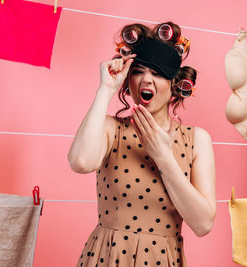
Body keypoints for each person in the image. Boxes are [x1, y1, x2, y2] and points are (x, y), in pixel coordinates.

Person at [68, 21, 216, 267]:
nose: (146, 80)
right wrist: (105, 90)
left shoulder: (196, 139)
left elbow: (203, 224)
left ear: (174, 85)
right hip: (107, 257)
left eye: (157, 73)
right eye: (138, 71)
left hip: (162, 259)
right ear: (128, 80)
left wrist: (163, 157)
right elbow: (80, 162)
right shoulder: (110, 128)